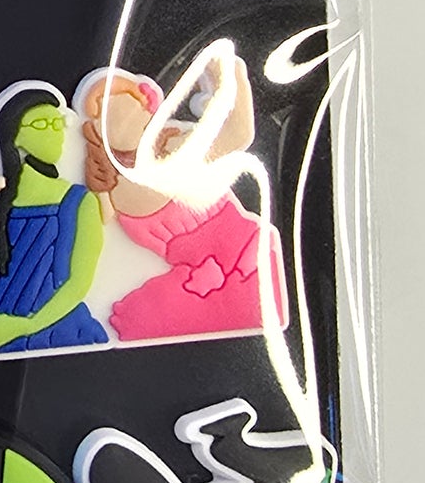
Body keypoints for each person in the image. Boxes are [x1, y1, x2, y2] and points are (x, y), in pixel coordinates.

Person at [78, 55, 286, 343]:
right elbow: (100, 222)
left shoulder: (175, 148)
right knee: (133, 320)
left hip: (241, 254)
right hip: (195, 276)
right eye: (108, 115)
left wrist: (228, 78)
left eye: (131, 109)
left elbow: (238, 135)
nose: (124, 120)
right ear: (96, 130)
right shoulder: (110, 184)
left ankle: (231, 76)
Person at [0, 82, 107, 357]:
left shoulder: (80, 203)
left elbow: (78, 283)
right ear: (15, 135)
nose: (55, 133)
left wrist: (30, 325)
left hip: (57, 328)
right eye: (42, 124)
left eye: (58, 124)